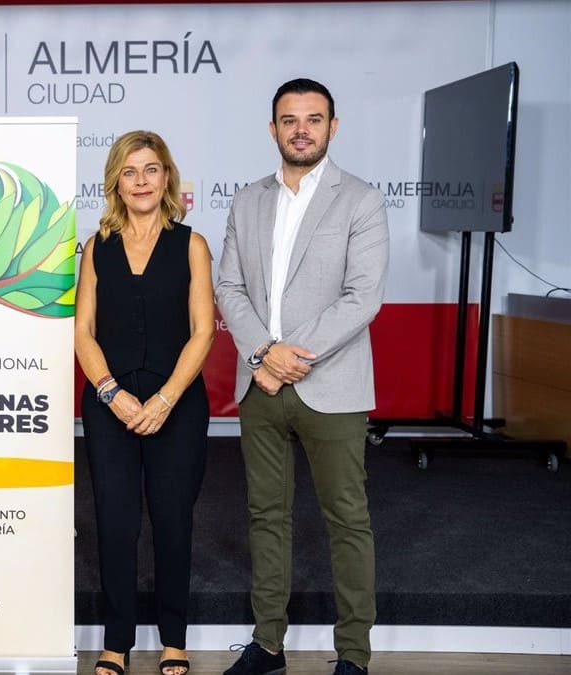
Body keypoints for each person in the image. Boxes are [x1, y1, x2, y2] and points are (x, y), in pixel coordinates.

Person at [215, 78, 389, 675]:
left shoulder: (360, 200)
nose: (301, 129)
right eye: (290, 119)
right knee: (266, 516)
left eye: (314, 119)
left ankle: (354, 657)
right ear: (273, 129)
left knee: (347, 518)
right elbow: (229, 287)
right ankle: (267, 646)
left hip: (332, 386)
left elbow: (362, 298)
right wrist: (262, 353)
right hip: (260, 387)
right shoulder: (247, 200)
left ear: (332, 127)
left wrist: (289, 356)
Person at [74, 130, 215, 675]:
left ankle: (173, 639)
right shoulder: (96, 248)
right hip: (109, 404)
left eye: (151, 169)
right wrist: (111, 393)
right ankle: (116, 643)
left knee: (173, 520)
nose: (141, 181)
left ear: (167, 177)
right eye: (130, 171)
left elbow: (203, 332)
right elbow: (83, 332)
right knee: (115, 522)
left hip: (176, 403)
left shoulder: (192, 244)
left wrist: (163, 399)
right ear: (115, 180)